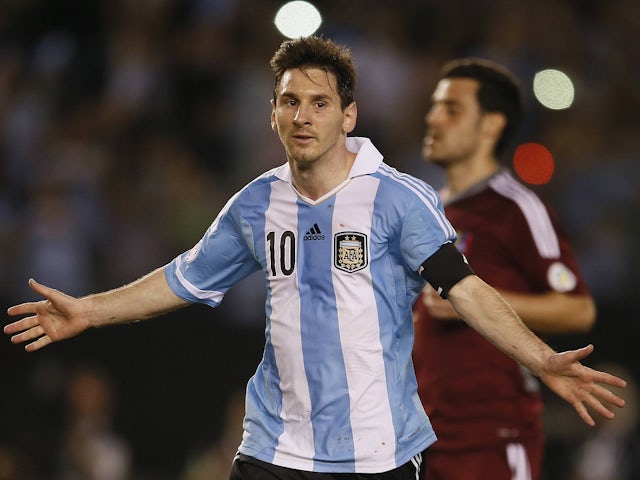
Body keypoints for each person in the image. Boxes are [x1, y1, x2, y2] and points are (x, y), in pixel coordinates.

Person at [4, 36, 626, 480]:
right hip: (273, 449)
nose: (302, 115)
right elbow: (183, 280)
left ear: (348, 114)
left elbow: (465, 291)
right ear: (273, 112)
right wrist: (87, 310)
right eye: (289, 101)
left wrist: (542, 359)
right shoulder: (255, 204)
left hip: (375, 455)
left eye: (319, 102)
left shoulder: (398, 199)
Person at [412, 57, 598, 480]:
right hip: (420, 439)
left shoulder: (517, 209)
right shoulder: (423, 211)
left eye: (451, 109)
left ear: (491, 125)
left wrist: (471, 300)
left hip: (491, 437)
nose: (433, 118)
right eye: (434, 106)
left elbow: (577, 309)